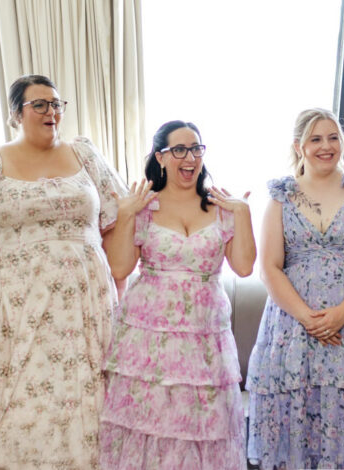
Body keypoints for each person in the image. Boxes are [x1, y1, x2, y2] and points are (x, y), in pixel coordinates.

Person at [0, 75, 124, 468]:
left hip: (86, 306)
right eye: (39, 104)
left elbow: (117, 222)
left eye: (56, 104)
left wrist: (118, 291)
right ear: (15, 114)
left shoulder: (85, 154)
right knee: (24, 397)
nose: (51, 112)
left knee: (84, 397)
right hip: (12, 310)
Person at [246, 108, 344, 469]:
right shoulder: (280, 197)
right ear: (299, 146)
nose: (326, 146)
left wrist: (340, 315)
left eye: (333, 137)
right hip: (293, 331)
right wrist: (309, 319)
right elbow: (269, 268)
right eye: (316, 139)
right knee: (297, 422)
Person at [98, 120, 256, 469]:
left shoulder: (221, 206)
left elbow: (244, 267)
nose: (190, 157)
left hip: (205, 338)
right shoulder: (143, 206)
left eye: (196, 149)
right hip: (149, 338)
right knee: (150, 423)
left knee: (206, 427)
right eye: (180, 149)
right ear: (161, 156)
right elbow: (120, 268)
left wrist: (242, 214)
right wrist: (125, 215)